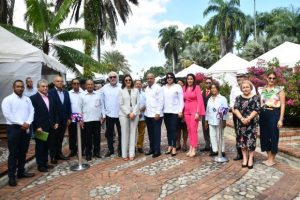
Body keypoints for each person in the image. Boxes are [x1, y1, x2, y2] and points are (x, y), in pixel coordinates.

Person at [1, 80, 35, 187]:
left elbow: (32, 111)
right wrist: (22, 123)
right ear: (13, 87)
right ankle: (12, 176)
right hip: (14, 129)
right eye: (17, 86)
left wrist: (28, 122)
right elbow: (8, 115)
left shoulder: (27, 99)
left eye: (21, 87)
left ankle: (21, 172)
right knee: (13, 153)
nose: (20, 88)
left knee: (23, 152)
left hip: (26, 129)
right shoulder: (7, 100)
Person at [30, 79, 58, 173]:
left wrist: (56, 122)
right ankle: (40, 165)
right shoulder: (33, 98)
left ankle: (45, 163)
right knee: (40, 146)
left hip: (50, 126)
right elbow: (33, 114)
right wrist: (37, 126)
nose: (45, 88)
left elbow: (54, 111)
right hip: (40, 128)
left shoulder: (51, 97)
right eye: (43, 86)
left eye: (46, 86)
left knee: (47, 146)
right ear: (38, 87)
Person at [258, 71, 285, 167]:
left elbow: (282, 105)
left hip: (274, 113)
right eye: (270, 78)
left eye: (273, 78)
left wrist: (281, 119)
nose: (272, 80)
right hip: (263, 114)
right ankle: (268, 157)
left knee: (273, 136)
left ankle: (272, 159)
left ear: (276, 79)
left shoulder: (279, 90)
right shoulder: (261, 89)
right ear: (266, 78)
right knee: (264, 136)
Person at [233, 80, 260, 169]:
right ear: (241, 89)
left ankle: (250, 159)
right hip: (241, 123)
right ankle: (245, 158)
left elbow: (257, 109)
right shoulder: (238, 98)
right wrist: (241, 118)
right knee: (242, 141)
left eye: (247, 87)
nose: (245, 89)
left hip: (252, 123)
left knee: (251, 141)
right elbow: (236, 109)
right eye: (243, 87)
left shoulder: (255, 97)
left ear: (250, 87)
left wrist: (248, 118)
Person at [229, 72, 256, 161]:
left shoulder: (251, 86)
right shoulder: (234, 87)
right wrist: (238, 115)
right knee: (239, 135)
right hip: (237, 115)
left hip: (250, 117)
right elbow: (232, 102)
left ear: (244, 77)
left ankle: (251, 156)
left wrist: (248, 117)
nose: (239, 78)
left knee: (250, 136)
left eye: (241, 76)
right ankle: (240, 154)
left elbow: (255, 103)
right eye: (237, 77)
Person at [48, 76, 71, 163]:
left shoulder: (66, 92)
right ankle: (53, 156)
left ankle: (59, 153)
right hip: (55, 121)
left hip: (64, 120)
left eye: (61, 81)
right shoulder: (50, 92)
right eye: (58, 81)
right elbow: (51, 108)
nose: (60, 83)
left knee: (60, 138)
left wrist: (69, 117)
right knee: (53, 138)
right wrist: (53, 121)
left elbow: (68, 105)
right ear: (54, 82)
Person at [78, 80, 102, 161]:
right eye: (88, 84)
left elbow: (101, 106)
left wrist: (102, 116)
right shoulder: (82, 95)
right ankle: (88, 154)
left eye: (91, 84)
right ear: (85, 85)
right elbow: (79, 108)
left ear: (93, 85)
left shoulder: (98, 95)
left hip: (96, 119)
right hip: (86, 120)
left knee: (97, 137)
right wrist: (80, 120)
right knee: (87, 138)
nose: (90, 86)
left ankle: (97, 152)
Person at [183, 73, 205, 157]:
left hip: (194, 110)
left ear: (194, 80)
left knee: (193, 129)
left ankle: (194, 148)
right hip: (186, 110)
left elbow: (200, 100)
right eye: (188, 79)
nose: (189, 80)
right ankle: (190, 147)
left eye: (191, 79)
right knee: (189, 129)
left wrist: (198, 112)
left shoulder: (197, 87)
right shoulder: (184, 88)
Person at [101, 71, 122, 157]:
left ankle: (120, 149)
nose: (112, 78)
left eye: (114, 77)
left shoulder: (122, 86)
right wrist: (103, 114)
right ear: (108, 79)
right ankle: (110, 149)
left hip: (120, 114)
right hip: (109, 115)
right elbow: (102, 101)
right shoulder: (104, 88)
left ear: (117, 77)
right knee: (109, 134)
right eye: (111, 77)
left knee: (121, 133)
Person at [119, 75, 140, 161]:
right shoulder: (121, 91)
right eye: (126, 80)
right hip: (124, 115)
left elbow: (138, 103)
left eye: (129, 79)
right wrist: (128, 113)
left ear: (131, 80)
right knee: (124, 134)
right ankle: (124, 154)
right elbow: (121, 104)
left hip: (134, 114)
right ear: (124, 81)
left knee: (133, 133)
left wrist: (133, 113)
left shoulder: (136, 90)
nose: (128, 81)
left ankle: (132, 153)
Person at [163, 72, 184, 156]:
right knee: (168, 130)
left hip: (175, 112)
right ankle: (170, 146)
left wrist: (180, 110)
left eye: (171, 77)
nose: (169, 78)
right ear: (166, 78)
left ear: (173, 78)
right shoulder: (163, 87)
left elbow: (181, 100)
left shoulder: (177, 86)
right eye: (168, 77)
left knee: (174, 130)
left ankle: (174, 147)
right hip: (166, 112)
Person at [205, 81, 228, 156]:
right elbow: (207, 111)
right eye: (212, 88)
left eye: (214, 88)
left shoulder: (222, 98)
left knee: (220, 135)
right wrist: (206, 120)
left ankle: (222, 150)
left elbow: (225, 110)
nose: (213, 89)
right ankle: (215, 150)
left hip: (219, 120)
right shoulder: (210, 99)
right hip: (211, 120)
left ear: (218, 89)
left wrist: (224, 120)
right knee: (212, 135)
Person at [144, 73, 164, 158]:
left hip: (156, 114)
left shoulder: (158, 88)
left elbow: (161, 101)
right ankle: (152, 148)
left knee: (156, 133)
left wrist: (158, 112)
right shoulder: (146, 89)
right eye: (148, 78)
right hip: (148, 114)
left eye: (151, 78)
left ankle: (157, 150)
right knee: (150, 133)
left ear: (154, 79)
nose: (149, 80)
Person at [68, 78, 84, 157]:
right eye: (74, 83)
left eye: (78, 83)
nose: (76, 85)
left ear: (79, 84)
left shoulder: (83, 93)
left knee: (82, 134)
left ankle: (82, 149)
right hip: (72, 117)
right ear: (72, 85)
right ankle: (73, 150)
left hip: (82, 117)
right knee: (72, 135)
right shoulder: (68, 93)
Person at [200, 77, 213, 152]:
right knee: (205, 129)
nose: (208, 84)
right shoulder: (202, 92)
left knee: (211, 129)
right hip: (204, 113)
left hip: (211, 114)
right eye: (207, 83)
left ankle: (212, 145)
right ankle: (207, 145)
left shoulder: (214, 91)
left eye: (209, 83)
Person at [176, 80, 188, 152]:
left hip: (185, 113)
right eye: (178, 84)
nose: (179, 85)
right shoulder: (175, 92)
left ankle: (184, 143)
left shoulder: (185, 92)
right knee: (177, 129)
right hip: (176, 113)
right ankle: (178, 143)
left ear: (183, 84)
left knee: (185, 129)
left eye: (181, 84)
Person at [135, 80, 146, 153]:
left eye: (139, 84)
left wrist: (141, 110)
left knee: (141, 133)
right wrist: (137, 112)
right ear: (134, 85)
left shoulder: (144, 94)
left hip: (142, 116)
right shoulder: (131, 94)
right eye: (137, 84)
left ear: (141, 85)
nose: (138, 85)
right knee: (132, 133)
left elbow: (146, 104)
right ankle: (132, 146)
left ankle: (139, 146)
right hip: (134, 116)